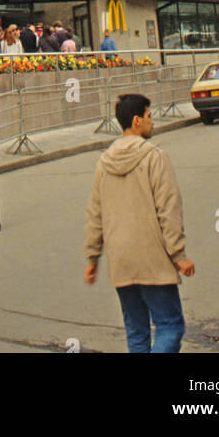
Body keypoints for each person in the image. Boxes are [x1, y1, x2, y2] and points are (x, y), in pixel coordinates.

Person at [84, 93, 194, 353]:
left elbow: (94, 214)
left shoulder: (104, 161)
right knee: (170, 326)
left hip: (121, 259)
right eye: (148, 116)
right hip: (152, 256)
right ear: (136, 121)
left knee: (137, 332)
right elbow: (168, 208)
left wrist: (92, 258)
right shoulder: (155, 157)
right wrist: (178, 254)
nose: (152, 121)